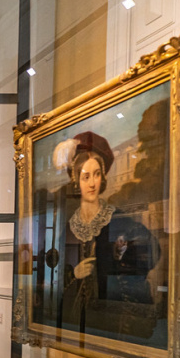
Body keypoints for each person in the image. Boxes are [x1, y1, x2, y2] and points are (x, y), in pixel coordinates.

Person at [53, 131, 160, 335]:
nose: (92, 183)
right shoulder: (69, 226)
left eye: (97, 174)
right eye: (86, 176)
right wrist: (74, 273)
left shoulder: (119, 220)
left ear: (103, 177)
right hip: (74, 320)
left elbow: (152, 252)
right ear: (76, 180)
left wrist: (117, 261)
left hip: (112, 314)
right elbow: (55, 266)